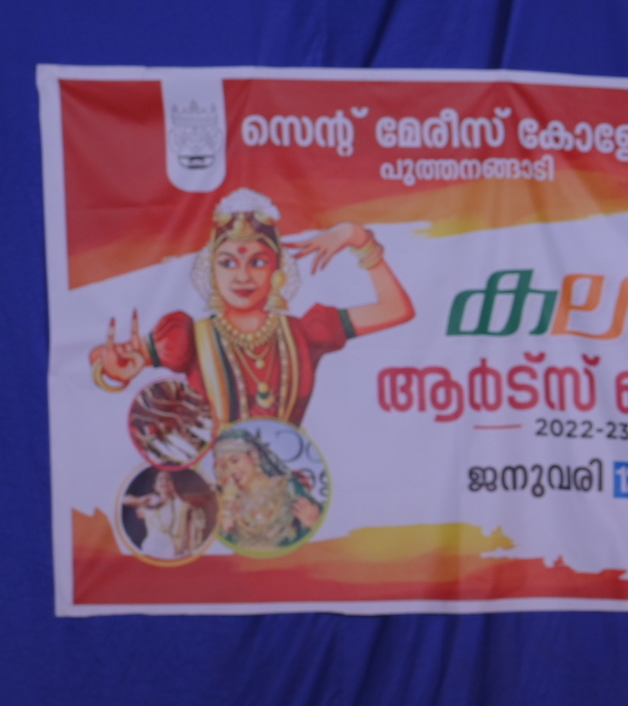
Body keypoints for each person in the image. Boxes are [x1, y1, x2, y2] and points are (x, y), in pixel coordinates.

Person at [87, 188, 415, 428]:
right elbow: (100, 358)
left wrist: (357, 238)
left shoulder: (306, 333)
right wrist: (116, 367)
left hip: (290, 490)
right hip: (214, 491)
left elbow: (396, 308)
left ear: (277, 271)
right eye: (228, 263)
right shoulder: (188, 339)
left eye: (257, 262)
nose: (242, 276)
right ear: (211, 272)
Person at [210, 424, 325, 554]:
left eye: (235, 460)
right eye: (223, 466)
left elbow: (323, 530)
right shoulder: (227, 508)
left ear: (254, 456)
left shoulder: (287, 487)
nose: (230, 470)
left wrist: (314, 521)